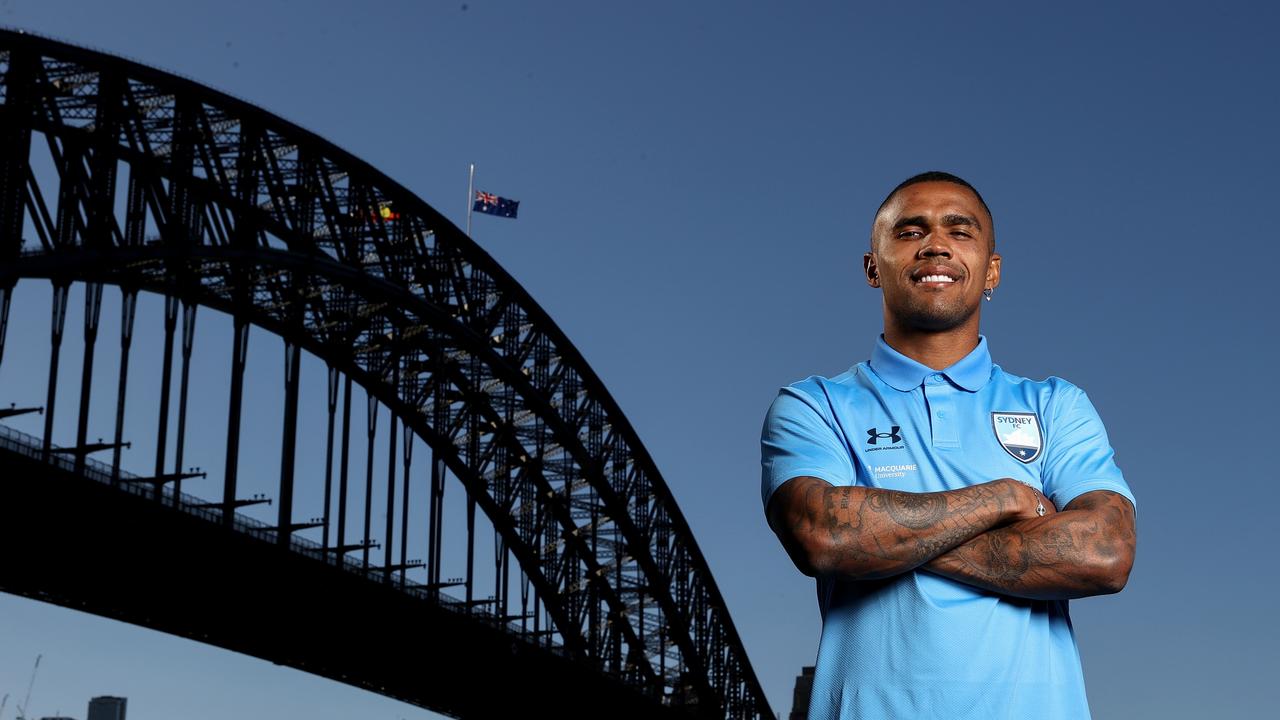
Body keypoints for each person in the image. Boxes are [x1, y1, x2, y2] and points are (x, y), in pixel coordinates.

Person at [760, 171, 1136, 720]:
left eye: (960, 232)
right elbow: (824, 535)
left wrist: (886, 541)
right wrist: (1005, 497)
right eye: (910, 232)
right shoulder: (814, 404)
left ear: (992, 271)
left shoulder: (1057, 405)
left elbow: (1105, 553)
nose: (936, 244)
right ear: (873, 269)